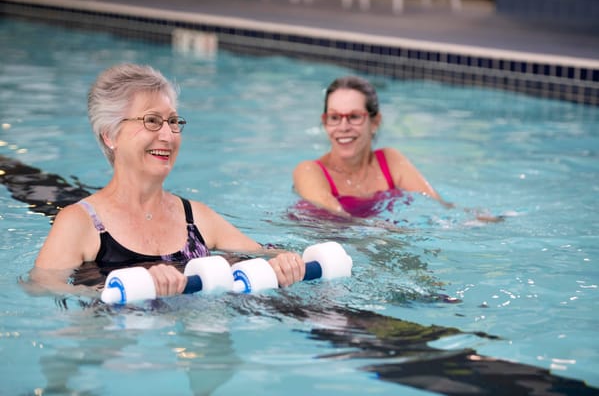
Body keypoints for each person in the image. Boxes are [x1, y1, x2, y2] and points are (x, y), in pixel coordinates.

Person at [31, 63, 305, 297]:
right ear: (110, 135)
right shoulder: (81, 222)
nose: (168, 135)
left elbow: (263, 253)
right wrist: (129, 288)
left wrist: (285, 261)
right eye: (152, 120)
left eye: (173, 122)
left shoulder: (195, 217)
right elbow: (40, 289)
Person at [293, 75, 451, 219]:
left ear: (375, 122)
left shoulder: (390, 161)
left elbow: (438, 207)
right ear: (325, 122)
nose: (343, 127)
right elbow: (338, 218)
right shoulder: (310, 171)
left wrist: (471, 221)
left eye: (354, 117)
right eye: (334, 117)